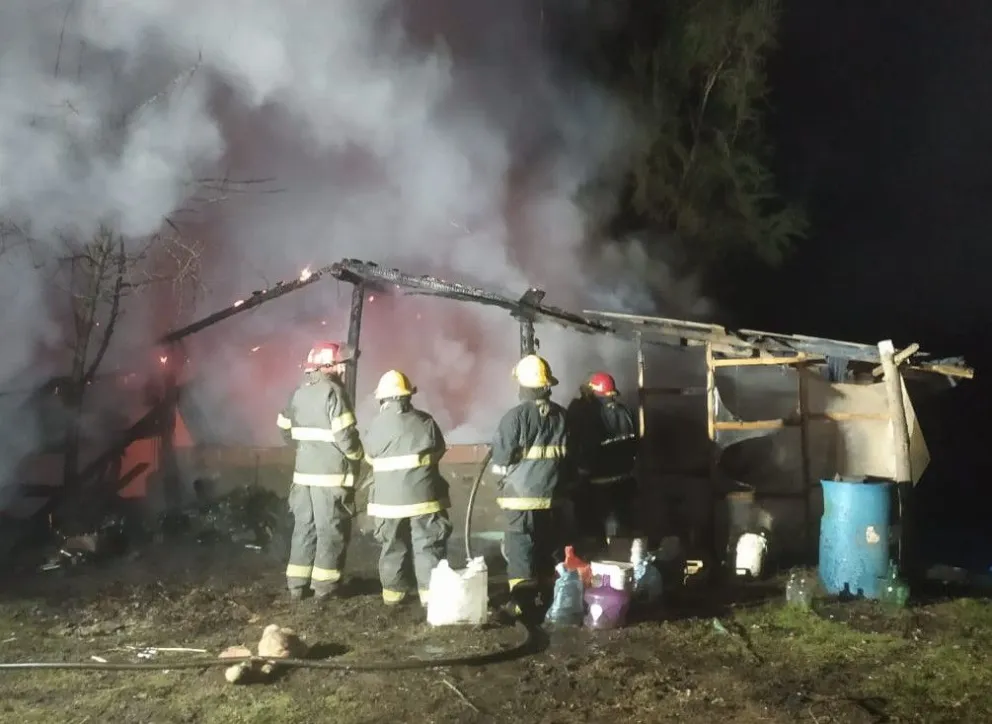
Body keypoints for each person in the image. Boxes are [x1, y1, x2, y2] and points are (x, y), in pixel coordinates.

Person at [276, 341, 364, 603]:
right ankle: (325, 588)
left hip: (303, 476)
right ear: (327, 365)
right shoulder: (334, 392)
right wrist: (357, 455)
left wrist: (306, 450)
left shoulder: (297, 392)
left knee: (304, 528)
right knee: (330, 530)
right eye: (339, 364)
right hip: (331, 477)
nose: (343, 369)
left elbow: (284, 428)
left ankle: (296, 585)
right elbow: (346, 437)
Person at [363, 370, 452, 607]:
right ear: (408, 396)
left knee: (392, 545)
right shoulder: (426, 422)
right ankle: (432, 598)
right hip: (424, 499)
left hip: (387, 503)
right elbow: (438, 451)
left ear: (383, 399)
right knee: (428, 545)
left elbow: (370, 458)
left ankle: (393, 596)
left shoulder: (376, 426)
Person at [490, 354, 569, 611]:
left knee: (520, 546)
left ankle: (522, 603)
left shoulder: (515, 417)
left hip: (520, 498)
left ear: (523, 386)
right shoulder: (562, 416)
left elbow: (501, 459)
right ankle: (551, 598)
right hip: (553, 496)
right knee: (549, 546)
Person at [568, 371, 638, 557]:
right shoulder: (625, 411)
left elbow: (587, 450)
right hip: (624, 481)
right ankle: (621, 561)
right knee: (621, 533)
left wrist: (579, 474)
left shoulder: (591, 415)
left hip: (597, 484)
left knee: (594, 533)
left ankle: (598, 562)